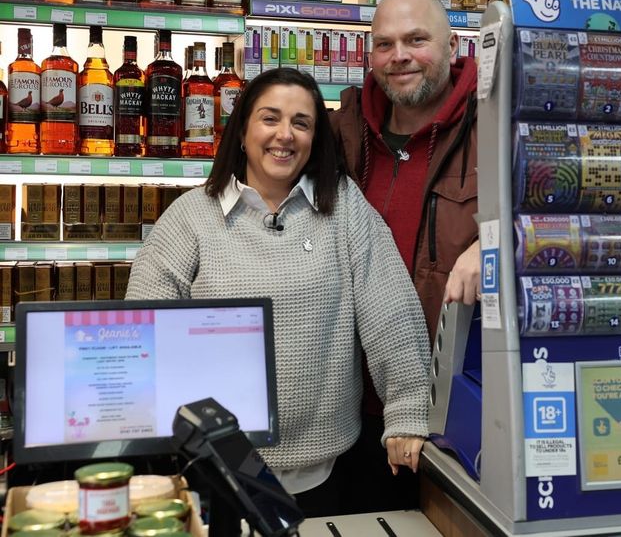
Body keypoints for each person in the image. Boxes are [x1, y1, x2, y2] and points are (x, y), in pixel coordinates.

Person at [127, 67, 431, 517]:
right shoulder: (192, 216)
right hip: (209, 468)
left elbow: (390, 311)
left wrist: (406, 411)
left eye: (301, 123)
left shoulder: (344, 207)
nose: (284, 135)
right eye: (270, 118)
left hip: (324, 474)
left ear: (314, 138)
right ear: (244, 128)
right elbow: (143, 330)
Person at [330, 0, 480, 510]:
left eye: (417, 40)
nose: (400, 57)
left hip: (457, 407)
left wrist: (500, 242)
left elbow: (577, 211)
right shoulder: (341, 132)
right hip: (349, 407)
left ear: (454, 45)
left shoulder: (499, 126)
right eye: (385, 44)